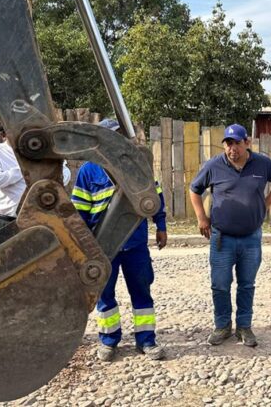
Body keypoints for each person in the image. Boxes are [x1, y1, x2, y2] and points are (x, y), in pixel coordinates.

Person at [71, 118, 168, 362]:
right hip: (103, 246)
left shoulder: (137, 167)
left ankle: (146, 340)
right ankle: (108, 340)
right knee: (105, 295)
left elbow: (154, 198)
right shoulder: (88, 171)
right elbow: (80, 212)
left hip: (135, 244)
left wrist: (161, 227)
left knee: (141, 292)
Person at [189, 123, 271, 348]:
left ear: (247, 143)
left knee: (247, 284)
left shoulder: (262, 163)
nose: (232, 149)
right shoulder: (214, 165)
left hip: (251, 237)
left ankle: (244, 327)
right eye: (228, 144)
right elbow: (194, 189)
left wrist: (266, 204)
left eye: (237, 143)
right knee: (220, 285)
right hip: (222, 238)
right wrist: (201, 218)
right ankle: (222, 326)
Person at [0, 122, 70, 231]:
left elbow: (65, 174)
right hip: (9, 222)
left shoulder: (43, 149)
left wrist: (50, 177)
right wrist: (26, 169)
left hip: (43, 220)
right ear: (3, 135)